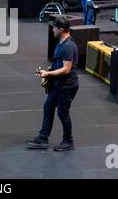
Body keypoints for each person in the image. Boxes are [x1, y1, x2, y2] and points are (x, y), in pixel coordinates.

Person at [26, 16, 79, 151]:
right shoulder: (61, 42)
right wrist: (47, 72)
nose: (52, 30)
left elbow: (66, 69)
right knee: (48, 106)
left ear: (61, 29)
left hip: (67, 85)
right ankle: (43, 138)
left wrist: (48, 74)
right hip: (58, 83)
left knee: (62, 112)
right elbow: (58, 64)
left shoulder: (68, 46)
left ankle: (68, 141)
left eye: (54, 27)